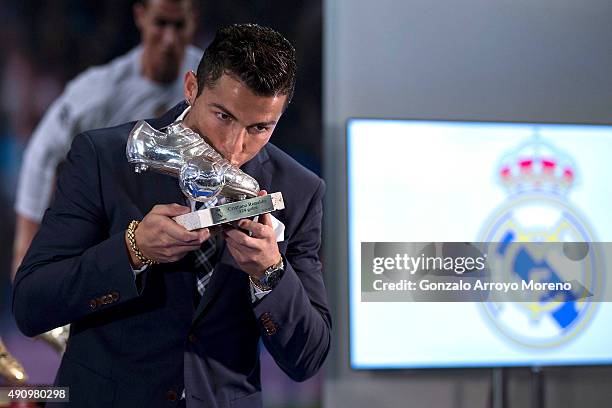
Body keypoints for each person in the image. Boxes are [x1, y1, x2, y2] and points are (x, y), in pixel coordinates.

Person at [13, 23, 331, 408]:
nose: (234, 146)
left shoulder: (298, 191)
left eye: (259, 128)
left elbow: (308, 358)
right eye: (223, 116)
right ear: (191, 87)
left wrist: (270, 274)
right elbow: (31, 304)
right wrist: (132, 249)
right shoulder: (104, 157)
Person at [12, 0, 201, 280]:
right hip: (117, 233)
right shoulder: (99, 91)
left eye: (179, 25)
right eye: (161, 23)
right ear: (140, 16)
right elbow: (43, 153)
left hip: (190, 230)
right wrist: (26, 243)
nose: (170, 39)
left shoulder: (211, 78)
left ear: (193, 21)